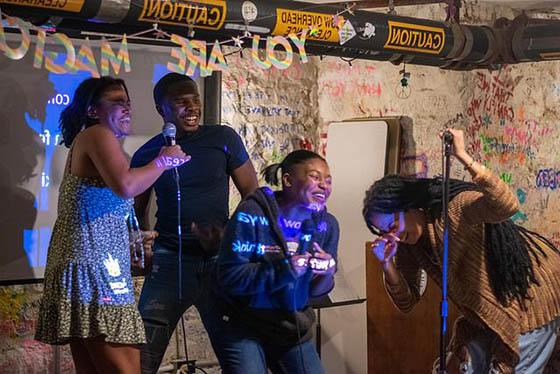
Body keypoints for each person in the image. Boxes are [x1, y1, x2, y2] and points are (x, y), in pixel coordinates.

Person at [362, 128, 560, 373]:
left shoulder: (453, 211)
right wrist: (386, 263)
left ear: (410, 206)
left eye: (392, 225)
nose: (391, 235)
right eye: (382, 232)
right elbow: (407, 301)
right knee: (466, 363)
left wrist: (463, 156)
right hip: (488, 313)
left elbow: (505, 205)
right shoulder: (407, 245)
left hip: (531, 295)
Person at [35, 76, 189, 373]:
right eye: (118, 102)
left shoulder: (98, 140)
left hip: (89, 264)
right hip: (94, 269)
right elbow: (126, 185)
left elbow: (100, 203)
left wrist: (132, 236)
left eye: (128, 101)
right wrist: (162, 162)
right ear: (93, 110)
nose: (127, 107)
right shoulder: (97, 134)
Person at [130, 72, 258, 373]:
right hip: (169, 262)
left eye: (195, 100)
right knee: (140, 361)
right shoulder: (149, 153)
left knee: (244, 361)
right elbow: (137, 209)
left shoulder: (223, 139)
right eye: (180, 102)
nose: (192, 107)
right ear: (162, 110)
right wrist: (142, 245)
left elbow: (252, 195)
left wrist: (230, 235)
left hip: (220, 263)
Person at [214, 149, 339, 374]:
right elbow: (230, 277)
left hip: (290, 327)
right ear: (288, 180)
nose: (324, 186)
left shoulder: (326, 225)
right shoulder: (252, 213)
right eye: (315, 177)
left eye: (328, 180)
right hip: (242, 324)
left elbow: (316, 291)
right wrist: (285, 270)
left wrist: (327, 272)